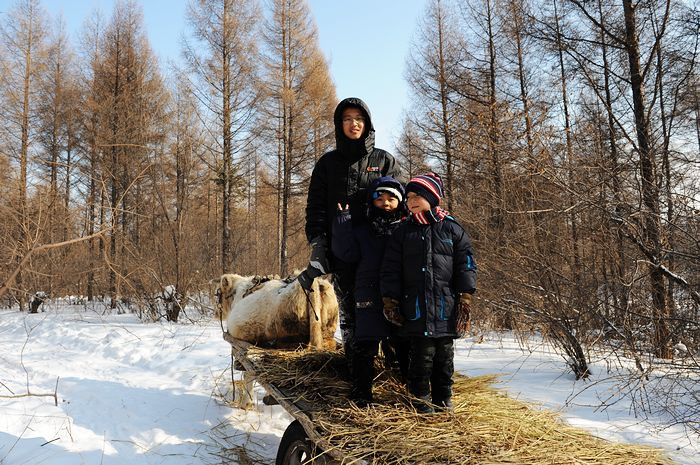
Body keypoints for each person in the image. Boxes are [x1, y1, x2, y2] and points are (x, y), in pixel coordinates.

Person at [299, 97, 401, 370]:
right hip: (343, 253)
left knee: (390, 309)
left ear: (367, 123)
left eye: (358, 119)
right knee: (352, 315)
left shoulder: (384, 160)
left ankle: (395, 370)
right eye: (347, 119)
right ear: (338, 124)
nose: (353, 124)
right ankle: (358, 373)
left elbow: (399, 203)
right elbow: (316, 208)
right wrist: (319, 243)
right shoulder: (327, 164)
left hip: (383, 253)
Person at [380, 172, 477, 413]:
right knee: (421, 358)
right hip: (416, 307)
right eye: (409, 196)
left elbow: (465, 263)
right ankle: (421, 399)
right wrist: (390, 301)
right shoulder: (402, 232)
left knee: (444, 358)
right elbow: (390, 269)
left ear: (433, 197)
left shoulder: (452, 229)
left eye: (418, 196)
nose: (411, 201)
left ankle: (444, 400)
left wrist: (465, 297)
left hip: (446, 307)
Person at [332, 176, 408, 405]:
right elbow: (347, 254)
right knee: (365, 346)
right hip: (368, 295)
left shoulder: (406, 229)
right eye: (380, 198)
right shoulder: (363, 230)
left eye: (391, 199)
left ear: (400, 202)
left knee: (403, 342)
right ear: (371, 202)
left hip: (397, 295)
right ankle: (361, 394)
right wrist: (343, 222)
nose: (385, 203)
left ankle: (408, 388)